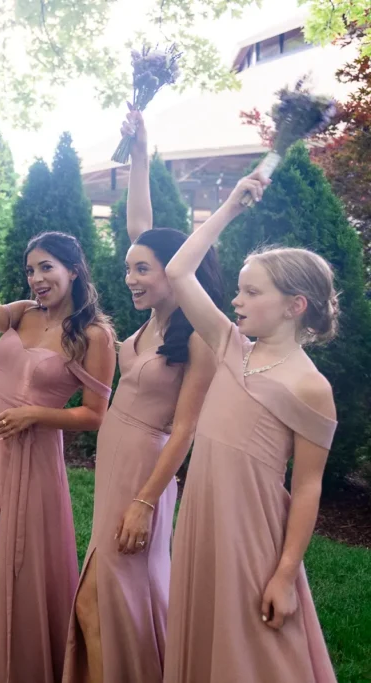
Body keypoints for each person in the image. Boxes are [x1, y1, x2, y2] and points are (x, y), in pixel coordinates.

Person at [63, 110, 221, 683]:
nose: (130, 278)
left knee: (102, 601)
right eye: (128, 269)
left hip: (145, 476)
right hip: (115, 467)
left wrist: (146, 502)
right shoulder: (148, 322)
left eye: (143, 270)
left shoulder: (199, 336)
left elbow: (185, 430)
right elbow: (141, 223)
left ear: (172, 275)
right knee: (108, 601)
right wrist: (139, 151)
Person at [162, 171, 339, 683]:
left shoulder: (311, 386)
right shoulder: (229, 344)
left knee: (254, 650)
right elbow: (179, 272)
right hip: (203, 515)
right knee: (205, 627)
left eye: (250, 292)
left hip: (251, 530)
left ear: (294, 305)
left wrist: (284, 574)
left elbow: (307, 486)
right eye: (237, 291)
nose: (235, 302)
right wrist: (230, 209)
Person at [0, 220, 116, 681]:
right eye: (31, 271)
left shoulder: (95, 335)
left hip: (31, 450)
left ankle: (14, 659)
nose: (37, 279)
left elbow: (96, 414)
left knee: (15, 552)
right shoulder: (23, 312)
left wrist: (35, 415)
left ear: (75, 271)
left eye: (47, 268)